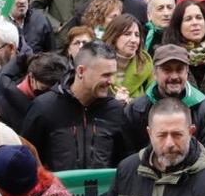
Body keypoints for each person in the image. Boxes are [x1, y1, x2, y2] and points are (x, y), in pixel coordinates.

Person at [23, 40, 130, 171]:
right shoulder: (45, 107)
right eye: (105, 75)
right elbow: (26, 156)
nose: (111, 81)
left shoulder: (115, 110)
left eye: (112, 74)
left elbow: (125, 160)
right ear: (81, 71)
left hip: (104, 190)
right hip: (56, 190)